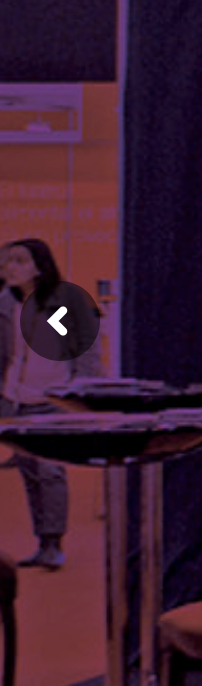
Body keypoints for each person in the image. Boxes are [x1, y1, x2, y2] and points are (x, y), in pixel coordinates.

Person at [2, 238, 101, 570]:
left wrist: (82, 388)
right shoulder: (7, 306)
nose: (10, 267)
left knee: (49, 471)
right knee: (30, 471)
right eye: (7, 261)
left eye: (19, 260)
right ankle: (43, 542)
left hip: (51, 399)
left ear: (39, 267)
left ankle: (54, 542)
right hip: (16, 400)